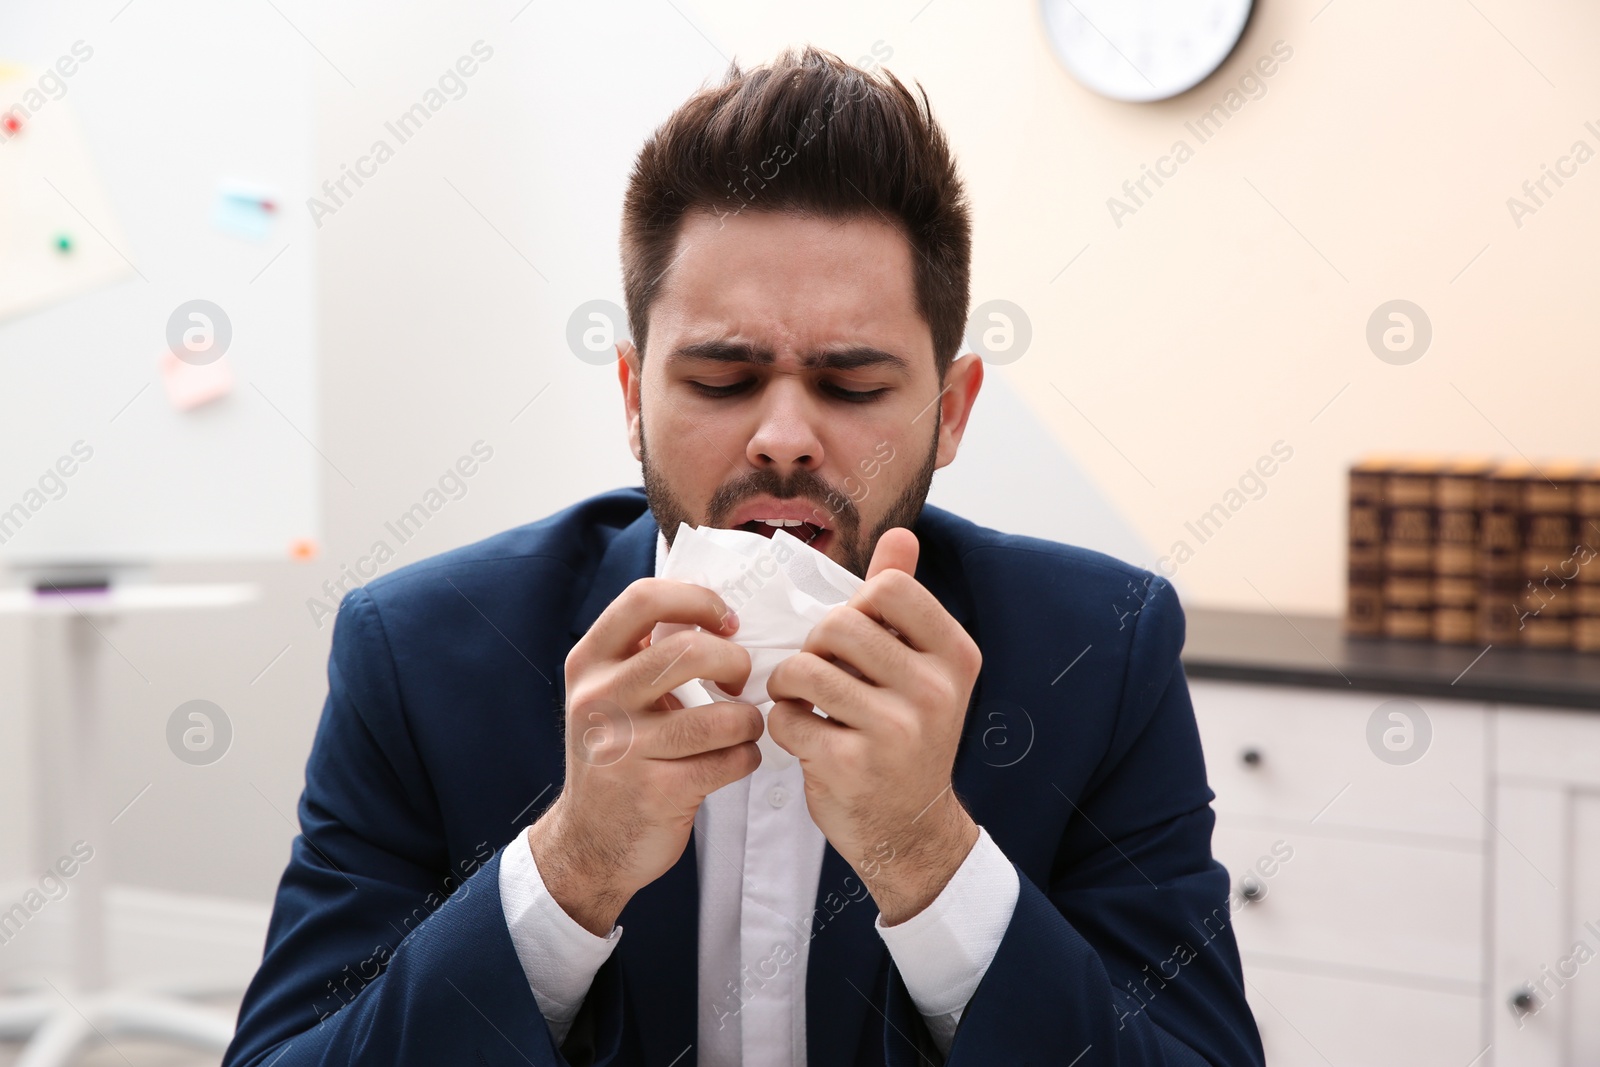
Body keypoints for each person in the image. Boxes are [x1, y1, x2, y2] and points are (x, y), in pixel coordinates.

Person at [224, 45, 1263, 1067]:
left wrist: (929, 854)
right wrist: (573, 865)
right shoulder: (416, 653)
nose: (782, 437)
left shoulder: (1101, 650)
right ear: (633, 397)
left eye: (852, 385)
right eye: (723, 378)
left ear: (949, 413)